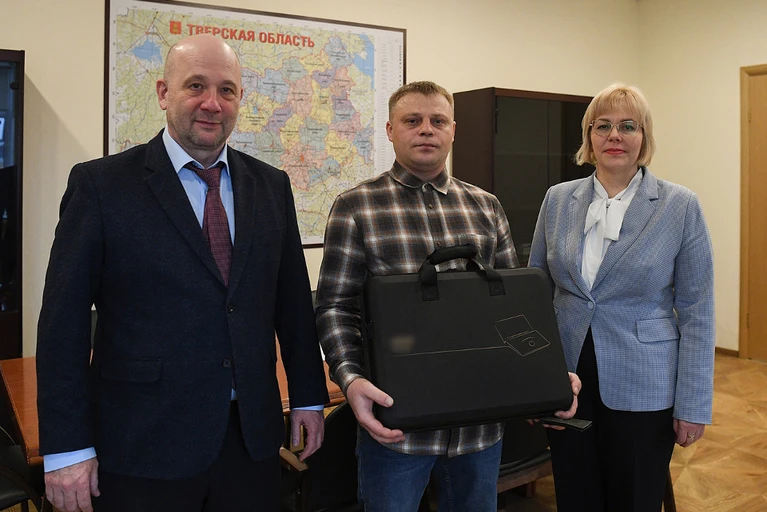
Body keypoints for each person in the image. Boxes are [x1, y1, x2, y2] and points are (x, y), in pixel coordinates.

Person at [36, 34, 329, 512]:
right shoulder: (101, 186)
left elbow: (293, 306)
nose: (212, 103)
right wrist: (67, 448)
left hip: (251, 441)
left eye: (227, 90)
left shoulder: (270, 185)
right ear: (163, 92)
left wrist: (309, 399)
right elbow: (61, 325)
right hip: (142, 444)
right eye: (196, 85)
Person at [315, 80, 580, 511]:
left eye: (437, 121)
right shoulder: (356, 207)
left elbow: (514, 308)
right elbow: (334, 307)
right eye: (412, 120)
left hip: (481, 429)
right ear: (390, 129)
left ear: (453, 130)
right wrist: (351, 377)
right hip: (399, 428)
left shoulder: (485, 206)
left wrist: (543, 376)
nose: (426, 129)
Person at [528, 83, 715, 511]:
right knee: (575, 494)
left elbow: (698, 311)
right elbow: (535, 293)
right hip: (569, 377)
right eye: (603, 126)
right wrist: (536, 379)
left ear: (644, 137)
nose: (615, 135)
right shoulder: (558, 200)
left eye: (628, 126)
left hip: (644, 381)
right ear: (589, 137)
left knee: (635, 498)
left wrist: (693, 403)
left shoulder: (679, 205)